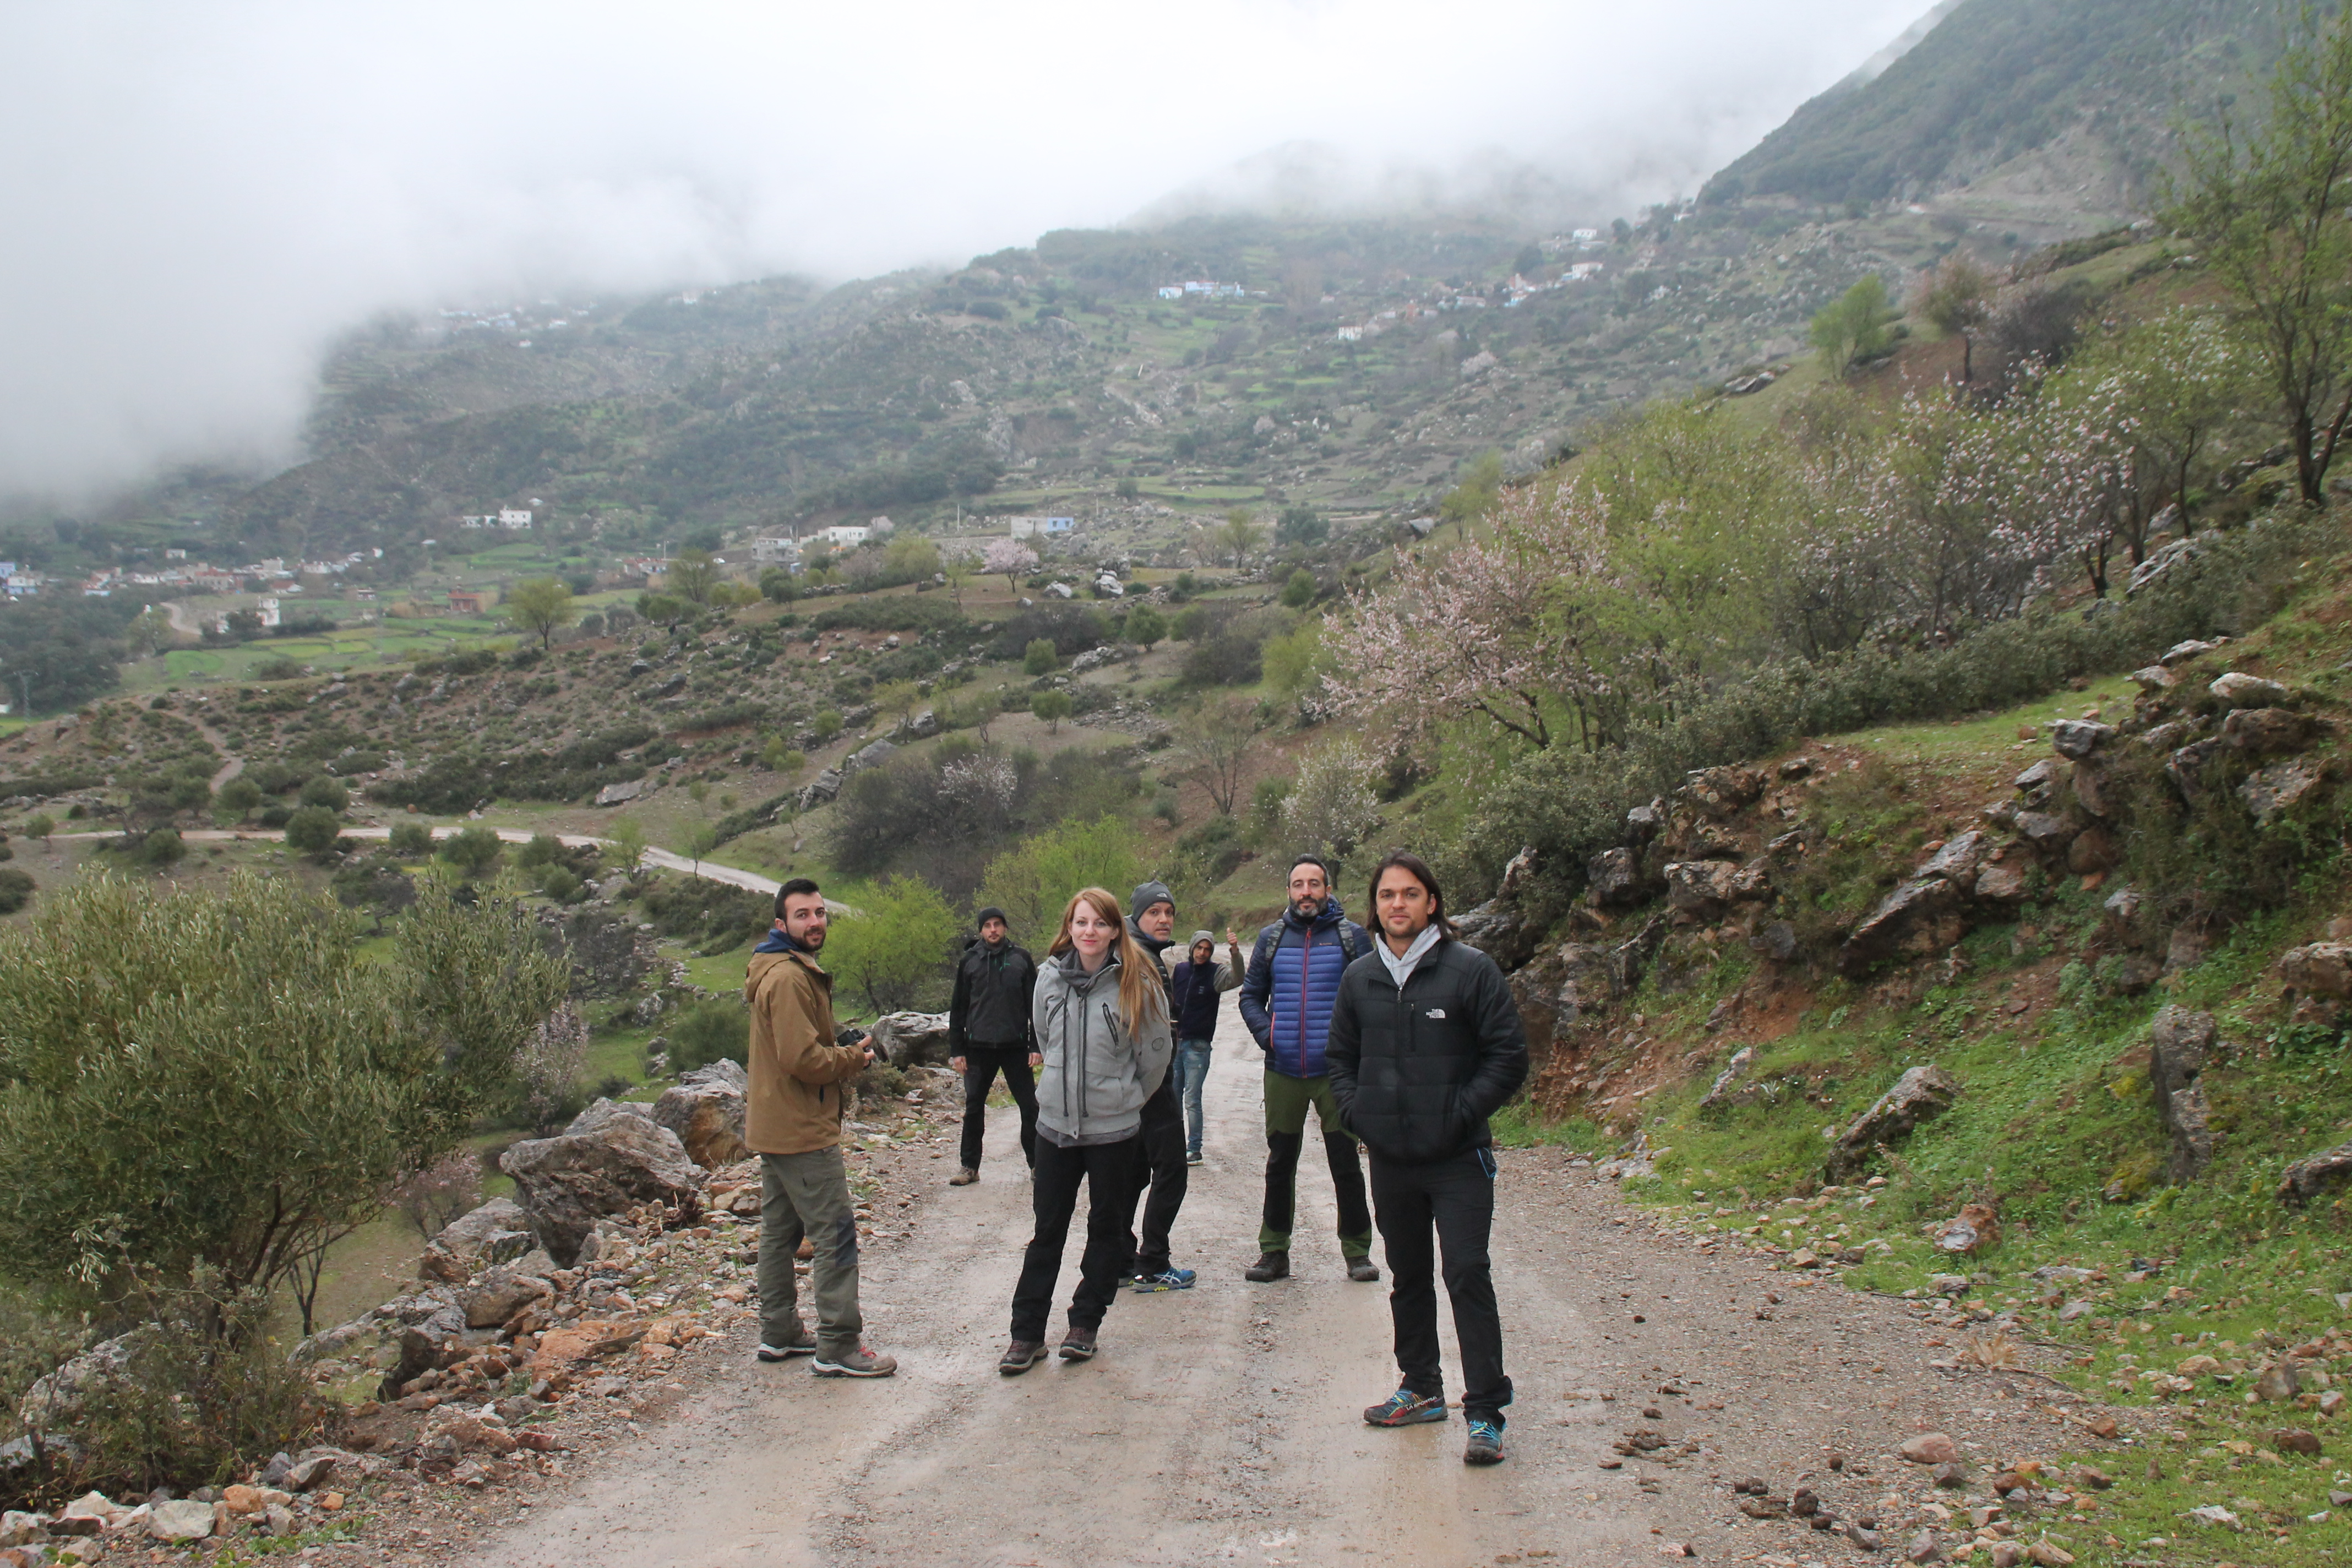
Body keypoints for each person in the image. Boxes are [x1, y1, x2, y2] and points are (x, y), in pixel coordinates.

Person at [1327, 851, 1529, 1466]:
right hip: (1390, 1159)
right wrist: (1361, 1116)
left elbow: (1508, 1056)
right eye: (1388, 895)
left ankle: (1487, 1412)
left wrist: (1459, 1113)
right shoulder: (1360, 977)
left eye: (1410, 894)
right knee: (1408, 1275)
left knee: (1466, 1273)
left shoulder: (1471, 970)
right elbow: (1339, 1060)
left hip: (1458, 1157)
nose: (1398, 905)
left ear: (1431, 902)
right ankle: (1420, 1388)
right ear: (1376, 905)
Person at [1001, 887, 1174, 1373]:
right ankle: (1026, 1335)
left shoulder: (1137, 983)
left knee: (1105, 1229)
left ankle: (1084, 1325)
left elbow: (1155, 1058)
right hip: (1054, 1128)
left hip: (1114, 1133)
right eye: (1081, 923)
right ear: (1069, 928)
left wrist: (1125, 1100)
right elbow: (1042, 1032)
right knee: (1046, 1232)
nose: (1089, 932)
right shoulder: (1048, 980)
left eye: (1099, 923)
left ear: (1116, 929)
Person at [745, 878, 897, 1378]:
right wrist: (854, 1056)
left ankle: (780, 1332)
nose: (814, 922)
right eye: (803, 915)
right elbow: (802, 1059)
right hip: (802, 1129)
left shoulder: (779, 968)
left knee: (779, 1232)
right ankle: (838, 1345)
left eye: (819, 913)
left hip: (775, 1124)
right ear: (781, 924)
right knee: (835, 1234)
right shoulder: (787, 977)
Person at [1236, 855, 1380, 1285]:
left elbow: (1372, 1000)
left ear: (1328, 890)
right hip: (1282, 1070)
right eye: (1298, 884)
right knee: (1280, 1162)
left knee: (1345, 1164)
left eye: (1314, 884)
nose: (1306, 892)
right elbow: (1249, 997)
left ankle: (1357, 1253)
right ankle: (1274, 1252)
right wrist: (1269, 1035)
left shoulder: (1352, 938)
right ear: (1289, 892)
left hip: (1336, 1073)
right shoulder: (1271, 938)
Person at [1123, 881, 1197, 1292]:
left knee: (1132, 1172)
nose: (1164, 919)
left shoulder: (1140, 953)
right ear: (1137, 916)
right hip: (1151, 1082)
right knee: (1171, 1171)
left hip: (1131, 1085)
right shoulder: (1137, 959)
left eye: (1169, 913)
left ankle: (1119, 1257)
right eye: (1155, 912)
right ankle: (1152, 1263)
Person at [945, 905, 1040, 1185]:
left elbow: (1036, 1007)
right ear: (981, 930)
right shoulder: (970, 961)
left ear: (1006, 928)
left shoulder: (1021, 959)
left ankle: (1038, 1166)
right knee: (974, 1107)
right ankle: (969, 1167)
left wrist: (1036, 1044)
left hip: (1015, 1047)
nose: (993, 930)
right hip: (978, 1047)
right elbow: (958, 1007)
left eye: (998, 924)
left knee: (1030, 1108)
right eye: (988, 926)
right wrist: (957, 1050)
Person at [1167, 928, 1245, 1163]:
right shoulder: (1180, 970)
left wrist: (1234, 951)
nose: (1202, 953)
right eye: (1199, 948)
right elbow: (1169, 998)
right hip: (1176, 1043)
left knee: (1192, 1099)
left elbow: (1238, 977)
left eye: (1207, 949)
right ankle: (1174, 1146)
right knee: (1173, 1097)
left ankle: (1194, 1148)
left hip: (1198, 1046)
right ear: (1192, 947)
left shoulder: (1216, 973)